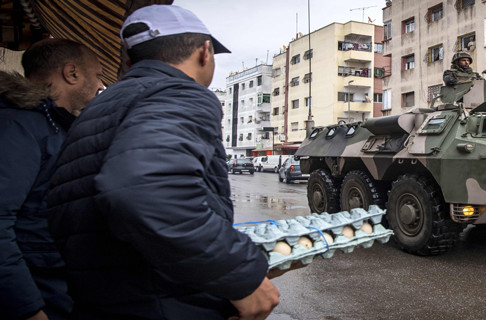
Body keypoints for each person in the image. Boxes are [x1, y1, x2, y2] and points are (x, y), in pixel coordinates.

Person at [46, 5, 279, 320]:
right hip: (161, 303)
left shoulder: (99, 109)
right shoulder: (180, 93)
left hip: (100, 300)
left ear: (129, 61)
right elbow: (142, 189)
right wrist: (239, 273)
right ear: (205, 52)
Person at [0, 38, 103, 320]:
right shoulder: (18, 126)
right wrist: (28, 308)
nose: (100, 85)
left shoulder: (51, 124)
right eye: (97, 75)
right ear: (72, 73)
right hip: (36, 291)